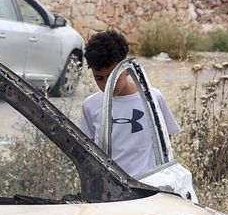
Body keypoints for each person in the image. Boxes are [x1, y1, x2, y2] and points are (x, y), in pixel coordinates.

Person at [77, 29, 180, 177]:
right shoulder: (91, 105)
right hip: (111, 187)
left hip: (148, 186)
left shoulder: (152, 99)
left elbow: (166, 141)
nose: (108, 85)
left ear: (126, 69)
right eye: (99, 78)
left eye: (113, 76)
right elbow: (88, 148)